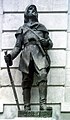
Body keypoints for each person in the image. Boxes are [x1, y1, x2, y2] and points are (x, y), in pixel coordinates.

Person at [4, 5, 53, 111]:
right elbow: (17, 47)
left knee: (43, 74)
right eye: (31, 9)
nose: (34, 11)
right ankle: (26, 106)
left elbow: (50, 44)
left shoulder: (42, 28)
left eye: (35, 9)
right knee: (26, 80)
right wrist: (10, 56)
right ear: (26, 13)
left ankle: (43, 104)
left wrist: (46, 42)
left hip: (39, 54)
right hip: (26, 55)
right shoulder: (21, 29)